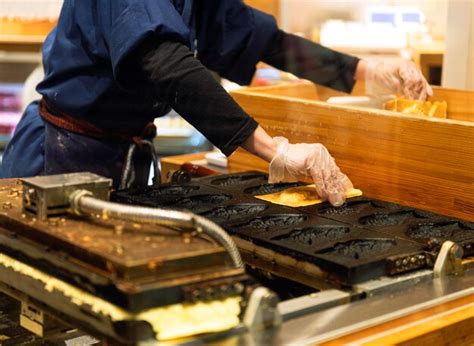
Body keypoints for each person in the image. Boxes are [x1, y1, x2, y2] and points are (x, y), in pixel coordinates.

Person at [0, 0, 431, 206]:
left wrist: (363, 71)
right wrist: (273, 148)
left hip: (121, 155)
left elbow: (266, 41)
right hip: (61, 158)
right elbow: (165, 62)